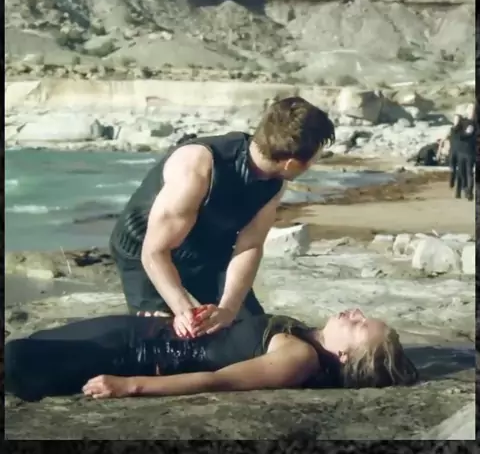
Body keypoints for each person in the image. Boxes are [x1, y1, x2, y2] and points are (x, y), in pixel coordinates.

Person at [109, 97, 335, 337]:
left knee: (251, 331)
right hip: (144, 249)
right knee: (170, 337)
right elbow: (154, 251)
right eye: (314, 159)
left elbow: (250, 245)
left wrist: (228, 309)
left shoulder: (274, 182)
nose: (314, 163)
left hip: (205, 250)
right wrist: (184, 310)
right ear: (291, 163)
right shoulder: (196, 167)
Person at [5, 307, 418, 402]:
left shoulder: (299, 358)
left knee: (19, 362)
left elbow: (217, 380)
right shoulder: (304, 335)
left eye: (361, 325)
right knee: (33, 345)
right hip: (146, 331)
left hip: (135, 354)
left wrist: (130, 386)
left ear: (345, 356)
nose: (355, 312)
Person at [447, 107, 476, 200]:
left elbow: (467, 134)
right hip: (460, 152)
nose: (472, 113)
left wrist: (461, 134)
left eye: (473, 111)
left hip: (469, 152)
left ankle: (469, 192)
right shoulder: (462, 123)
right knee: (462, 173)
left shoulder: (474, 123)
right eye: (470, 110)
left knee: (469, 173)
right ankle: (463, 189)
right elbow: (455, 130)